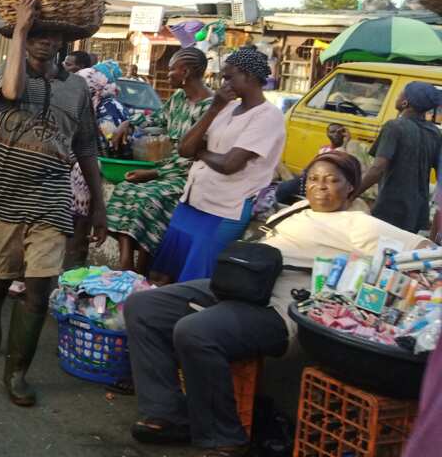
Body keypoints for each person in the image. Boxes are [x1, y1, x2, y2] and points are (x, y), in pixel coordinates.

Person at [126, 150, 429, 457]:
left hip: (279, 307)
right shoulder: (298, 208)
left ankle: (226, 438)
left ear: (351, 187)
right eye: (313, 179)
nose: (320, 188)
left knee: (196, 331)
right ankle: (168, 413)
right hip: (238, 288)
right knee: (145, 305)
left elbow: (424, 251)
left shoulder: (359, 224)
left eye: (331, 181)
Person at [0, 0, 106, 406]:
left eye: (53, 37)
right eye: (37, 35)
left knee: (38, 288)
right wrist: (21, 30)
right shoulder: (5, 74)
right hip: (4, 191)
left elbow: (85, 146)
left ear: (66, 43)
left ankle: (16, 373)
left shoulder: (77, 88)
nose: (45, 44)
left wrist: (98, 205)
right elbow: (11, 92)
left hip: (51, 195)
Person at [149, 48, 286, 285]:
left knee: (193, 280)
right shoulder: (227, 108)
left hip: (225, 208)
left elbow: (230, 164)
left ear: (249, 77)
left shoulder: (267, 116)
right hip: (193, 201)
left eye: (229, 77)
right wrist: (213, 109)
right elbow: (185, 148)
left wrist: (200, 152)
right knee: (163, 273)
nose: (223, 83)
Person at [106, 47, 214, 274]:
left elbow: (195, 156)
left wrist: (155, 173)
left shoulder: (210, 108)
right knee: (124, 189)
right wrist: (128, 124)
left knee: (149, 199)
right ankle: (126, 264)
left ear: (185, 72)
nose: (168, 75)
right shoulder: (178, 99)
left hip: (188, 177)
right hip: (166, 170)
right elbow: (157, 120)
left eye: (171, 70)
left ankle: (143, 269)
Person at [357, 81, 442, 233]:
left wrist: (351, 194)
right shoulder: (435, 132)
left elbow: (377, 169)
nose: (397, 96)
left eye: (400, 93)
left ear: (405, 102)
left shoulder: (394, 127)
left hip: (391, 207)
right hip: (418, 210)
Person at [67, 66, 129, 268]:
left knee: (80, 173)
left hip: (109, 162)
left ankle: (77, 243)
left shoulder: (107, 109)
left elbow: (109, 146)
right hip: (96, 158)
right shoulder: (97, 104)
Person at [273, 122, 349, 206]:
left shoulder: (346, 150)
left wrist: (345, 142)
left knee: (284, 188)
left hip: (321, 181)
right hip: (309, 177)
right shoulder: (324, 148)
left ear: (344, 134)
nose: (335, 135)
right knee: (282, 186)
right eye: (332, 132)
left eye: (338, 132)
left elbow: (341, 159)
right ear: (327, 134)